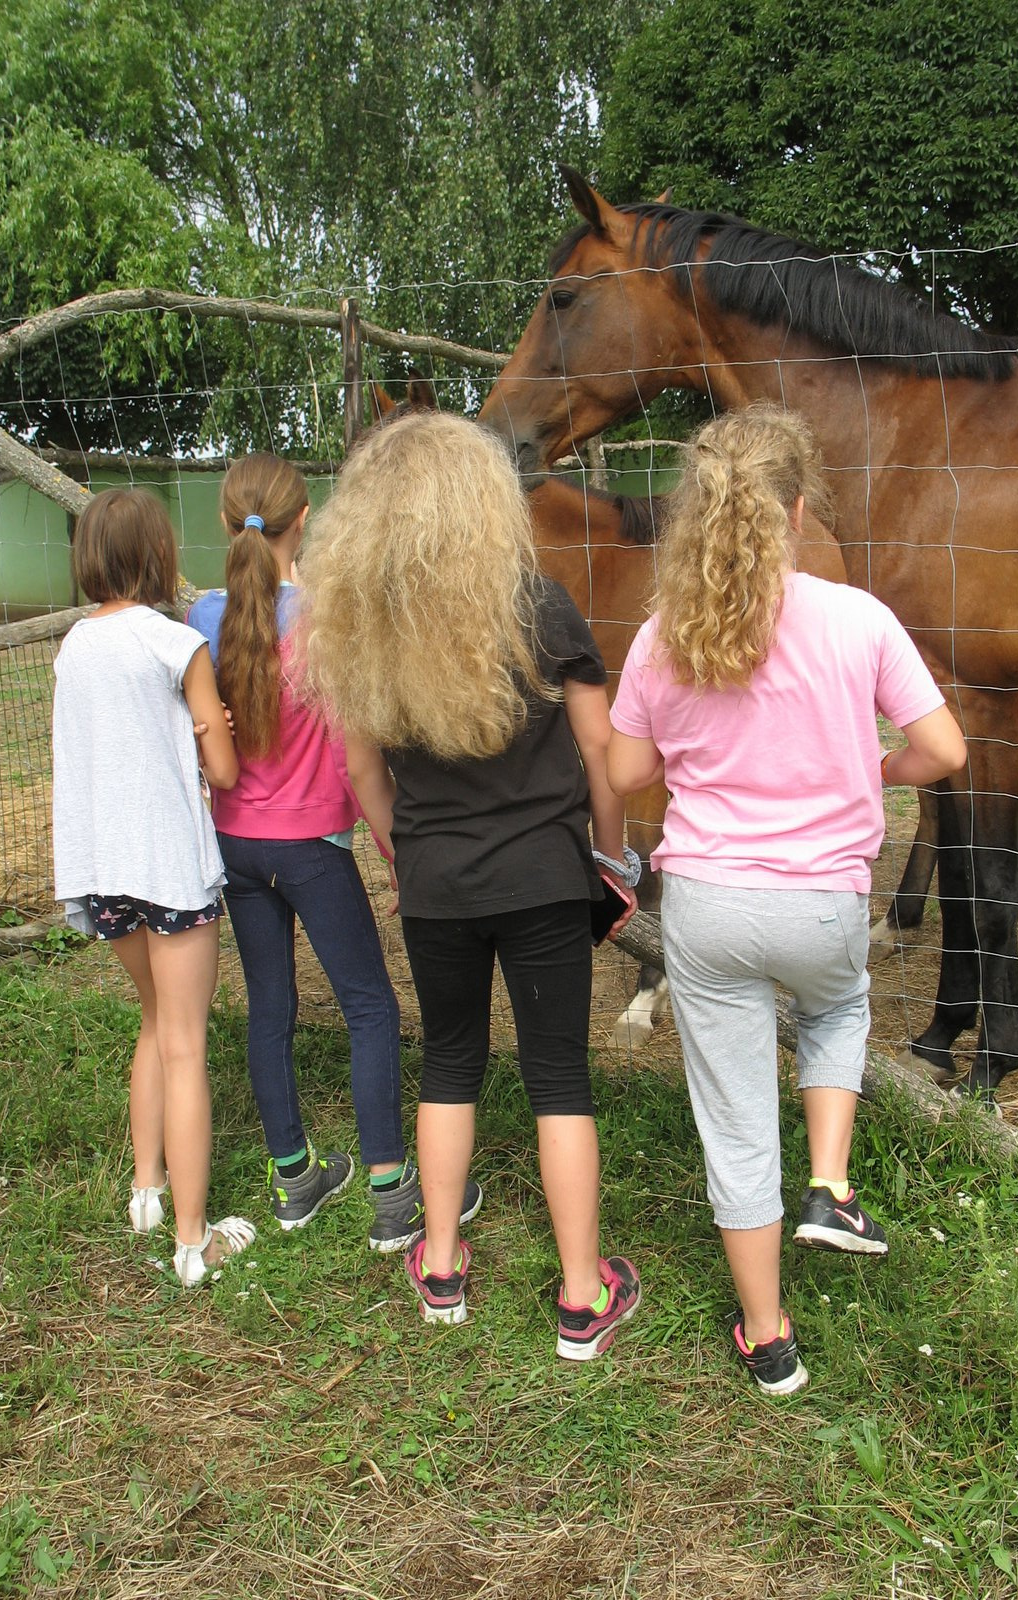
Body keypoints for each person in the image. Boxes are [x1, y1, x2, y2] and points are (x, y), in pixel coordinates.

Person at [607, 404, 967, 1395]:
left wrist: (699, 753)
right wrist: (873, 765)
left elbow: (630, 763)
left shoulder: (662, 635)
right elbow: (946, 750)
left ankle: (768, 1338)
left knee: (732, 1121)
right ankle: (831, 1181)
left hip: (710, 905)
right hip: (823, 901)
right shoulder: (859, 620)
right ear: (799, 510)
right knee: (839, 1007)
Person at [297, 410, 642, 1360]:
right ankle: (582, 1296)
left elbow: (366, 779)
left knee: (448, 1062)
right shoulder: (545, 607)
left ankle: (441, 1266)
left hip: (436, 884)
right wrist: (614, 864)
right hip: (543, 878)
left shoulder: (364, 633)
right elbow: (602, 752)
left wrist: (407, 858)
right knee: (558, 1077)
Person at [187, 454, 474, 1247]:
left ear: (226, 523)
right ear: (303, 520)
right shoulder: (332, 621)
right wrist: (392, 852)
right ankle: (390, 1193)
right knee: (370, 1008)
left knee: (269, 1010)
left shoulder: (202, 618)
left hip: (236, 842)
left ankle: (295, 1181)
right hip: (313, 844)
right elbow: (357, 761)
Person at [52, 488, 256, 1288]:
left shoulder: (72, 646)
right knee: (186, 1041)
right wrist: (218, 729)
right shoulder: (177, 645)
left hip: (102, 871)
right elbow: (224, 771)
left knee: (152, 1021)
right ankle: (194, 1243)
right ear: (158, 555)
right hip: (168, 869)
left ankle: (148, 1189)